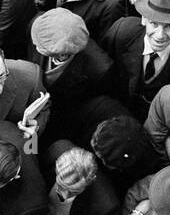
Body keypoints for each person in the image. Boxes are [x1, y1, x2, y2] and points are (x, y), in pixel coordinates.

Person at [27, 9, 114, 147]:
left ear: (63, 54)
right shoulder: (39, 27)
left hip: (61, 117)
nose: (35, 45)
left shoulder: (99, 69)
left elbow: (90, 106)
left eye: (40, 47)